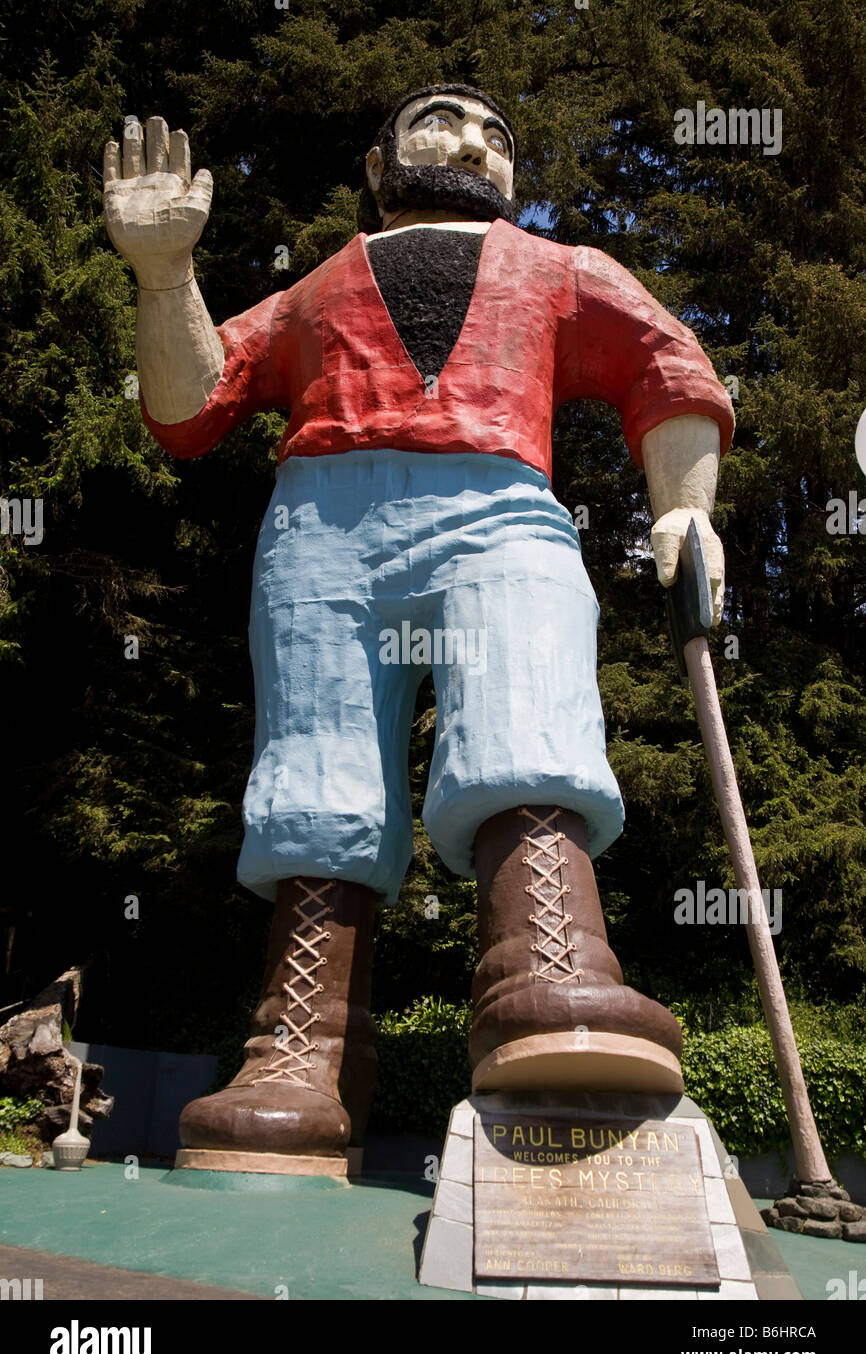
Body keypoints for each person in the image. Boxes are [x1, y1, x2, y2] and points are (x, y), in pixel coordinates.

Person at [103, 85, 735, 1174]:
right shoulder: (314, 291)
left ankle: (544, 958)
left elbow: (661, 361)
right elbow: (191, 407)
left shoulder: (560, 269)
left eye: (494, 134)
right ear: (374, 162)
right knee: (316, 755)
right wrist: (165, 276)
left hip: (501, 506)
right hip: (320, 521)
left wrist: (682, 502)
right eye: (439, 122)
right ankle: (301, 1043)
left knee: (525, 695)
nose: (471, 143)